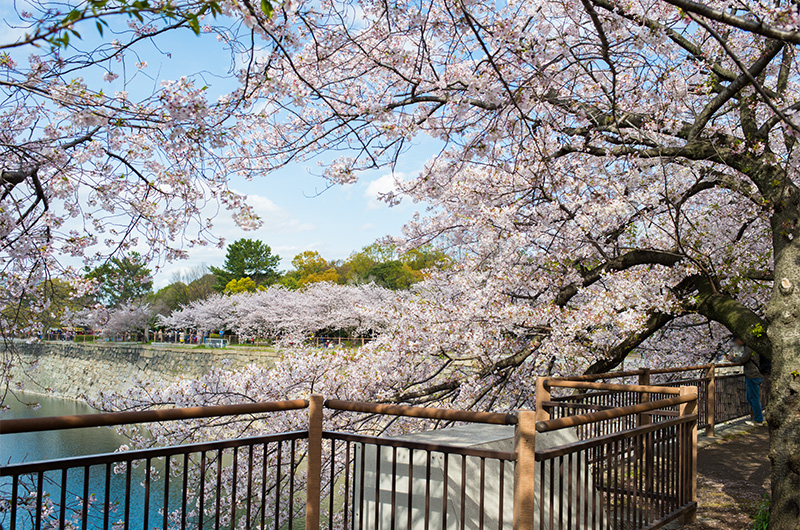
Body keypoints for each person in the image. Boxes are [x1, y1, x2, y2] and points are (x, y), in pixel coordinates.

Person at [726, 336, 765, 425]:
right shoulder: (753, 346)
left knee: (753, 398)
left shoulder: (749, 347)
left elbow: (744, 359)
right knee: (751, 397)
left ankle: (758, 419)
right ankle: (757, 418)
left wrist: (732, 359)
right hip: (754, 375)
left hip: (753, 375)